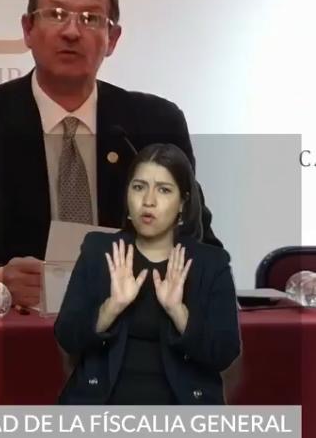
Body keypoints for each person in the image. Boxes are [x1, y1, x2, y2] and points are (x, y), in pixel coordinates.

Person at [0, 0, 220, 306]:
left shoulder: (154, 124)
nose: (72, 32)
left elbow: (201, 245)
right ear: (28, 29)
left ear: (112, 39)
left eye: (90, 19)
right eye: (56, 14)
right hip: (16, 326)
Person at [55, 143, 240, 404]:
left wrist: (179, 313)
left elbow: (224, 353)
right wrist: (110, 308)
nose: (148, 201)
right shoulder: (99, 250)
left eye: (164, 190)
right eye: (139, 187)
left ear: (183, 202)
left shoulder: (211, 263)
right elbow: (67, 337)